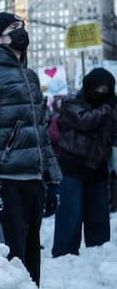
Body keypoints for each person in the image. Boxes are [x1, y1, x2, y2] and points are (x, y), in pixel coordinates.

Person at [0, 13, 61, 286]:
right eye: (14, 28)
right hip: (6, 183)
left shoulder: (29, 76)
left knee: (31, 260)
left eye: (22, 27)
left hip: (33, 182)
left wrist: (52, 179)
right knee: (9, 260)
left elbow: (41, 132)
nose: (21, 32)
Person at [51, 68, 117, 257]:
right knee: (70, 214)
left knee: (98, 216)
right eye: (99, 89)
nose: (103, 93)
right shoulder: (73, 103)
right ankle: (64, 254)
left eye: (107, 89)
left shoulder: (110, 107)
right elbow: (85, 121)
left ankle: (99, 253)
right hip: (73, 167)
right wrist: (107, 108)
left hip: (98, 167)